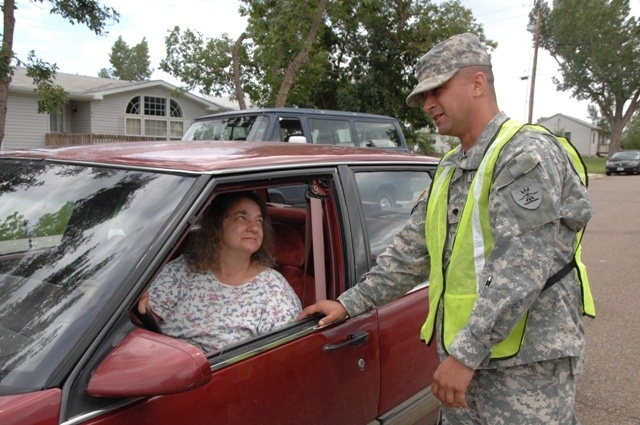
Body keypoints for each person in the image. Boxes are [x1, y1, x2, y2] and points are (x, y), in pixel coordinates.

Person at [298, 33, 595, 424]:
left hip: (525, 369)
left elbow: (520, 269)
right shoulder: (451, 167)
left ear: (477, 84)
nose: (428, 104)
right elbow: (410, 253)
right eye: (423, 96)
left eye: (437, 89)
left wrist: (465, 354)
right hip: (469, 362)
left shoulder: (524, 155)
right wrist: (350, 302)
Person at [138, 191, 302, 353]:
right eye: (242, 218)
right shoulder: (184, 268)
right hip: (158, 362)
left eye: (259, 221)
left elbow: (283, 355)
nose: (253, 227)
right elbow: (142, 320)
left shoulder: (273, 289)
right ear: (217, 225)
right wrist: (134, 305)